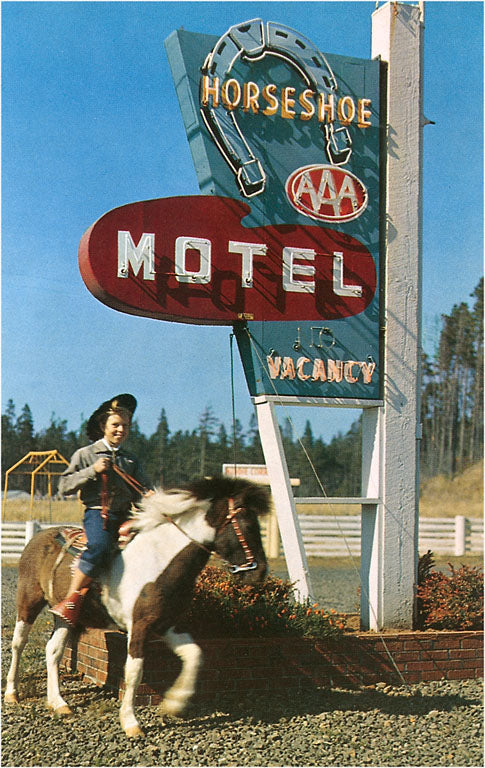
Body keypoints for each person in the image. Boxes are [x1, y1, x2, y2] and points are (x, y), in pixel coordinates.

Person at [50, 393, 153, 627]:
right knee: (100, 547)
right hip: (99, 514)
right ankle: (71, 599)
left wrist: (150, 497)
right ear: (103, 426)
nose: (121, 430)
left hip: (127, 515)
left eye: (125, 425)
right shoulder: (85, 454)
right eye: (115, 425)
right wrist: (92, 470)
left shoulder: (130, 460)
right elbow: (64, 486)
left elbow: (142, 491)